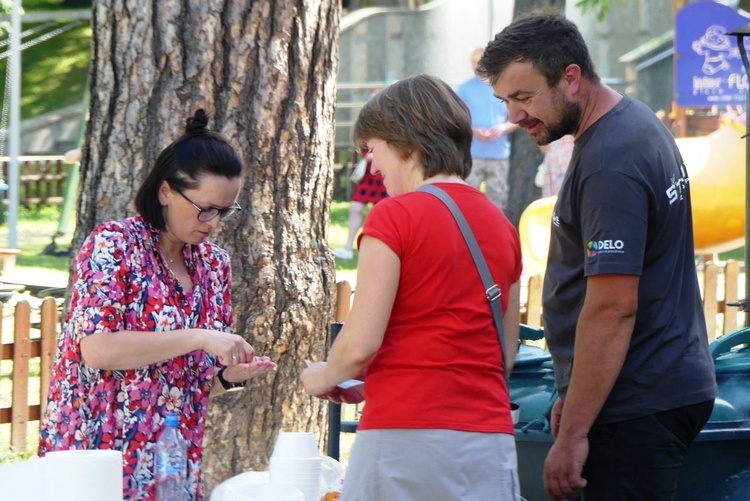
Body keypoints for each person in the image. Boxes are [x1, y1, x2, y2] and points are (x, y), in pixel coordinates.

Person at [477, 9, 717, 501]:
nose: (514, 117)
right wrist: (575, 393)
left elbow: (613, 307)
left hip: (637, 401)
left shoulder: (612, 161)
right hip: (649, 386)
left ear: (571, 79)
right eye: (505, 101)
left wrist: (573, 435)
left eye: (523, 98)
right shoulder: (629, 120)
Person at [301, 74, 523, 501]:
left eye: (374, 149)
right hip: (489, 439)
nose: (375, 165)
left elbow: (360, 344)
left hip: (406, 435)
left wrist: (324, 376)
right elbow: (503, 354)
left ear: (407, 144)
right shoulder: (502, 225)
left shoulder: (393, 216)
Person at [38, 109, 276, 501]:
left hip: (171, 464)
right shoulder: (114, 244)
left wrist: (228, 378)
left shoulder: (214, 265)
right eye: (206, 208)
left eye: (224, 211)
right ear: (166, 191)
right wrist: (199, 336)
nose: (213, 222)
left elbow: (181, 388)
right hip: (95, 460)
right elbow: (97, 350)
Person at [456, 47, 518, 210]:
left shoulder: (505, 87)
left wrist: (502, 128)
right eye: (474, 62)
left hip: (498, 155)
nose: (477, 66)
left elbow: (517, 119)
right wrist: (473, 130)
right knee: (467, 200)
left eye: (480, 62)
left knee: (497, 202)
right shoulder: (464, 89)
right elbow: (456, 119)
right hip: (473, 154)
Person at [333, 146, 388, 260]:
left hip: (383, 175)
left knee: (383, 213)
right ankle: (348, 248)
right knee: (355, 208)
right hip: (368, 176)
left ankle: (381, 250)